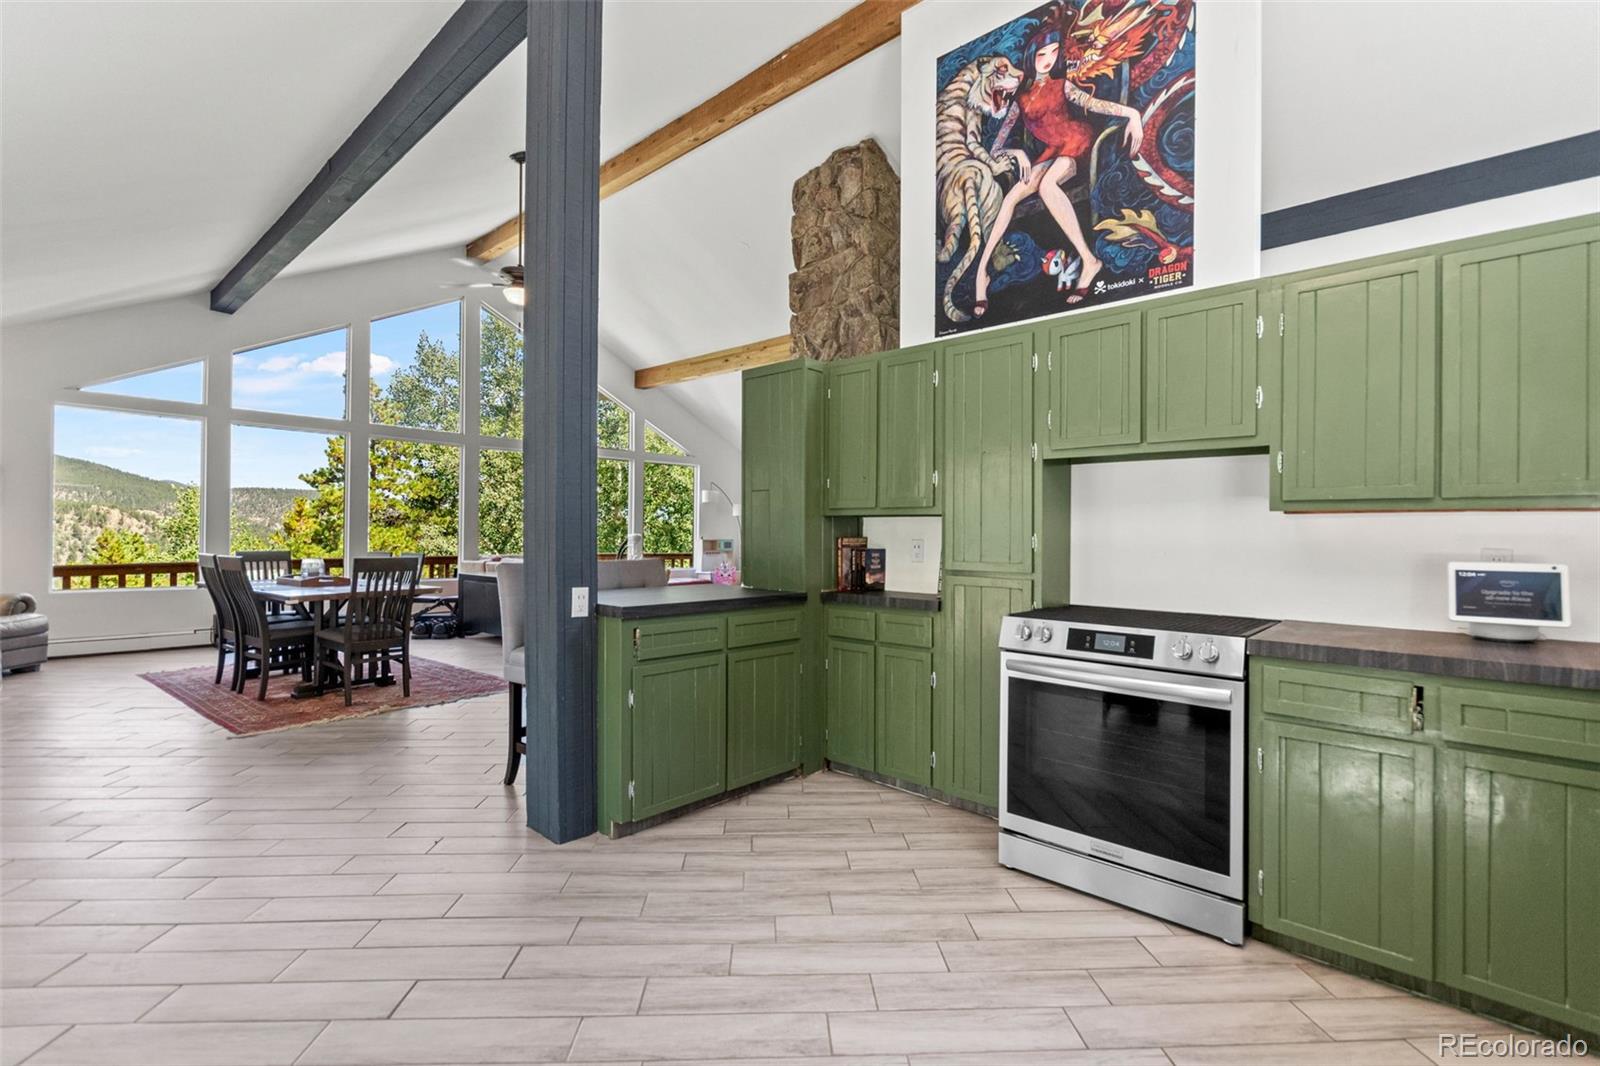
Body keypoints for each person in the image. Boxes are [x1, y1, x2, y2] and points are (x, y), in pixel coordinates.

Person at [973, 25, 1143, 313]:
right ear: (1030, 57)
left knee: (1047, 185)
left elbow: (1091, 103)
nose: (1049, 59)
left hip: (1076, 141)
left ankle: (1089, 260)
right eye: (1042, 54)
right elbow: (996, 146)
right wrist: (1017, 154)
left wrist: (1131, 113)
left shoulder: (1061, 84)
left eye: (1054, 52)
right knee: (1012, 196)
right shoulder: (1021, 99)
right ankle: (981, 272)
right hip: (1050, 152)